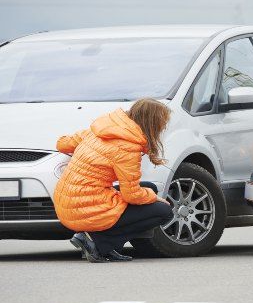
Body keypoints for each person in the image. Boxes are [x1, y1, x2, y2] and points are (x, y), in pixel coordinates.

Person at [53, 98, 174, 263]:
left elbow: (62, 144)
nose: (164, 127)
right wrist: (154, 197)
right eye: (162, 124)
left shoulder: (101, 130)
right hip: (83, 207)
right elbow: (131, 195)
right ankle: (98, 242)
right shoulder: (127, 147)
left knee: (149, 186)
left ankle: (98, 241)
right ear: (152, 123)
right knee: (163, 211)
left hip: (66, 200)